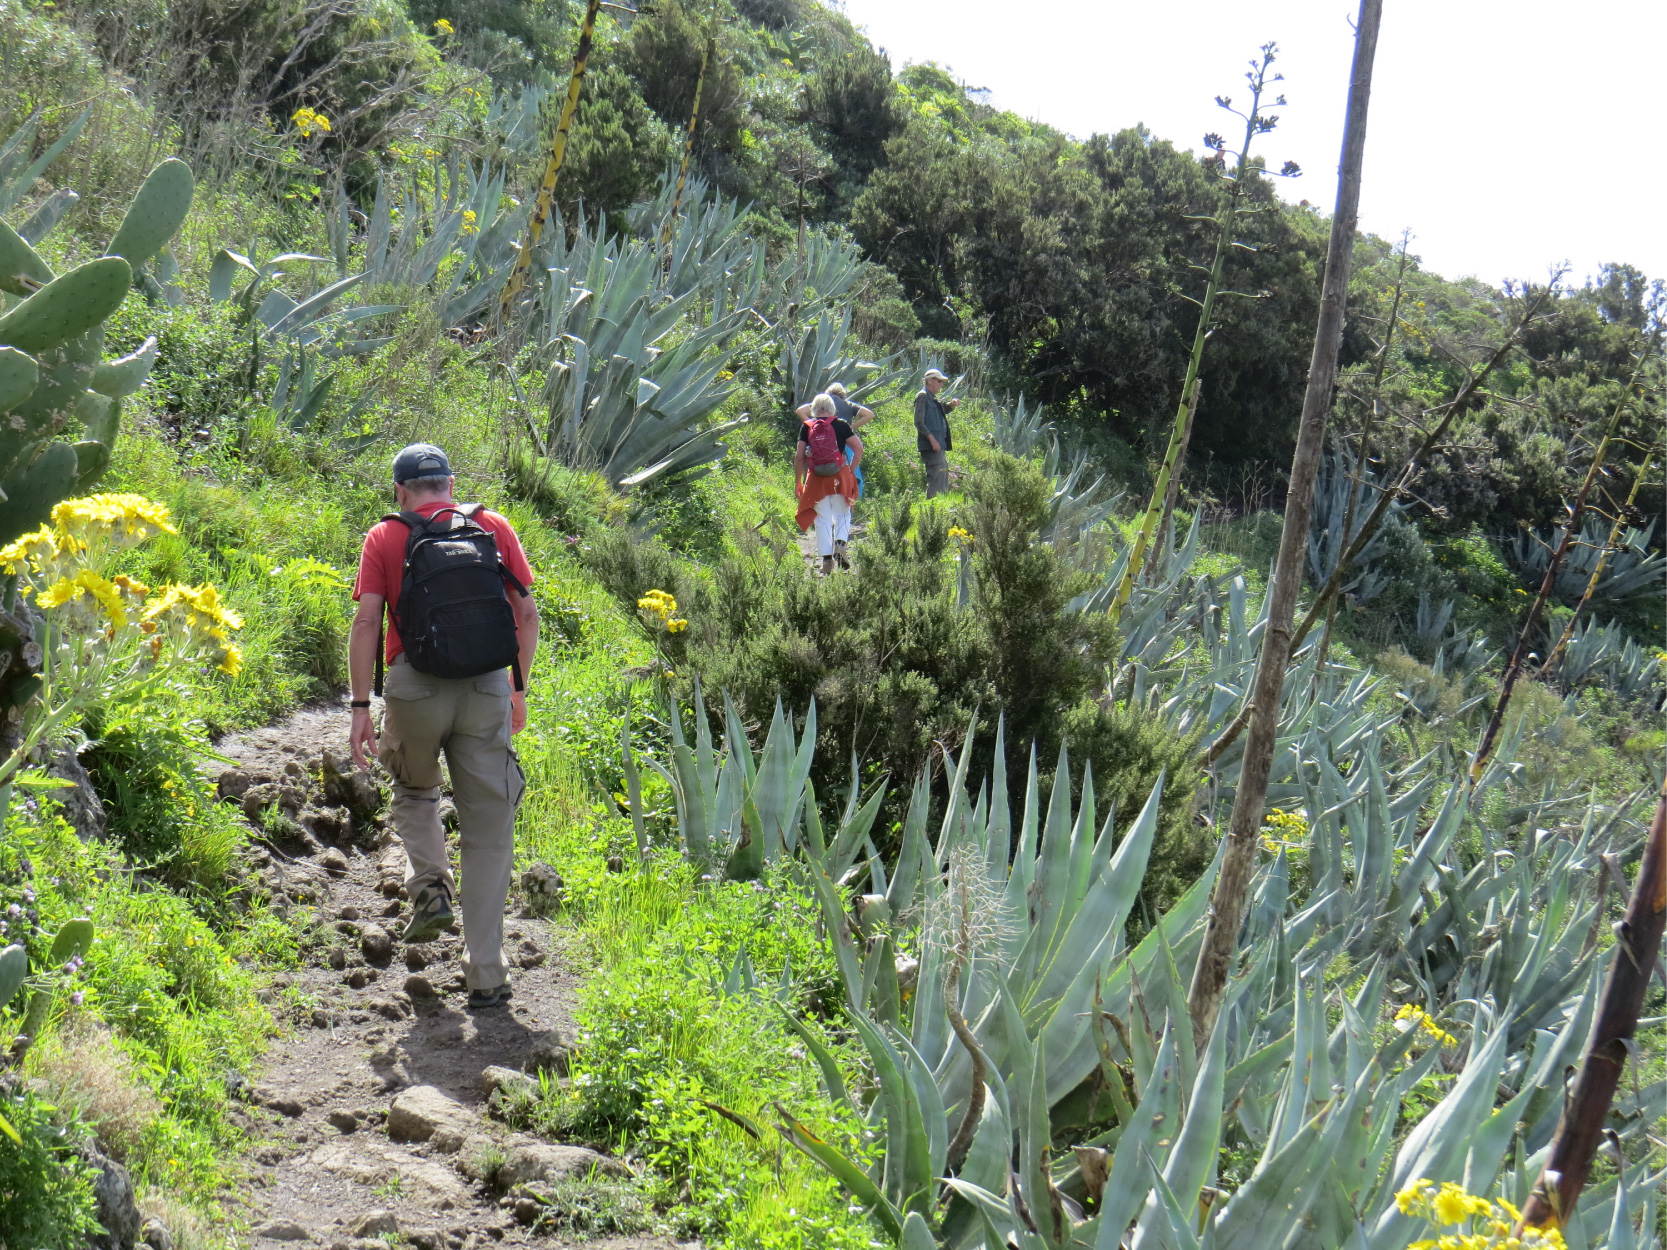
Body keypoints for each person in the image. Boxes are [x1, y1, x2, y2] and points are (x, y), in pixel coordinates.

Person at [348, 444, 540, 1010]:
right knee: (488, 826)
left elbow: (366, 620)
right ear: (450, 484)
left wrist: (362, 707)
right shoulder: (492, 525)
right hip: (486, 689)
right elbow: (525, 614)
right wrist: (518, 688)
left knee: (413, 790)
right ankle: (487, 974)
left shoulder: (386, 536)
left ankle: (430, 883)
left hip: (414, 687)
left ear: (401, 490)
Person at [794, 393, 863, 574]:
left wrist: (798, 482)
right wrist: (851, 469)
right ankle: (840, 545)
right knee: (843, 514)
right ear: (832, 409)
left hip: (816, 480)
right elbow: (858, 448)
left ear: (814, 409)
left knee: (822, 518)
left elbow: (799, 457)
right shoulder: (841, 425)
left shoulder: (807, 426)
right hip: (839, 477)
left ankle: (826, 561)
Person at [795, 382, 873, 498]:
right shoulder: (848, 406)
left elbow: (799, 411)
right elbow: (869, 414)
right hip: (843, 447)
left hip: (816, 468)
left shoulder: (822, 402)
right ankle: (853, 491)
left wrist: (813, 424)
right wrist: (852, 428)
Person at [914, 367, 959, 498]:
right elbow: (919, 422)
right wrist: (932, 440)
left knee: (942, 479)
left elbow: (941, 410)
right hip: (932, 446)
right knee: (937, 481)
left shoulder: (932, 398)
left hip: (938, 445)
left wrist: (951, 405)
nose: (941, 384)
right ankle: (933, 512)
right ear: (929, 381)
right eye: (939, 381)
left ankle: (939, 512)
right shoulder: (922, 396)